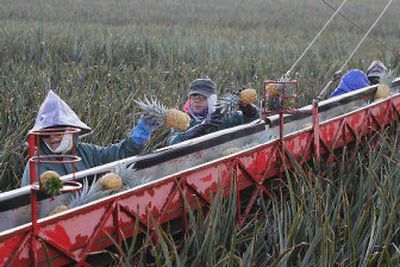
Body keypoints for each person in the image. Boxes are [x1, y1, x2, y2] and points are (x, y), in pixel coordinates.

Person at [21, 90, 157, 187]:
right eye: (46, 133)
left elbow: (117, 155)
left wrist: (138, 137)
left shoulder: (86, 152)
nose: (52, 137)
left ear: (71, 130)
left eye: (59, 131)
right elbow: (29, 205)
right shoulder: (37, 163)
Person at [167, 78, 259, 145]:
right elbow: (172, 142)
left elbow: (255, 120)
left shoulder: (223, 118)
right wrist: (201, 127)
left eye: (202, 97)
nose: (197, 101)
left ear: (212, 100)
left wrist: (248, 109)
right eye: (194, 97)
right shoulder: (184, 121)